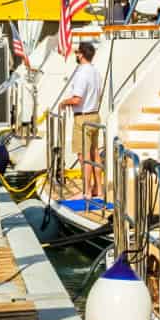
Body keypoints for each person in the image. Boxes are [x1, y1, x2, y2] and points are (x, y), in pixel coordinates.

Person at [60, 40, 102, 200]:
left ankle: (86, 192)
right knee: (95, 153)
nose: (75, 55)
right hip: (95, 115)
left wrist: (64, 103)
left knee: (83, 156)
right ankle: (98, 189)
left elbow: (77, 99)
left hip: (82, 118)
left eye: (77, 52)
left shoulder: (82, 73)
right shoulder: (95, 72)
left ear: (82, 54)